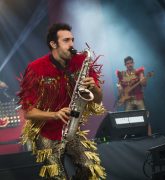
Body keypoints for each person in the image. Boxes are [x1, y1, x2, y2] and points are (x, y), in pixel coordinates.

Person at [18, 23, 106, 180]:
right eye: (66, 40)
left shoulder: (81, 61)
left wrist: (94, 87)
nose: (72, 44)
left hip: (71, 129)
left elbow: (98, 99)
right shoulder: (36, 68)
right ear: (53, 44)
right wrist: (55, 115)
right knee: (57, 177)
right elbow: (28, 112)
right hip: (45, 132)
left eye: (72, 40)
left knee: (90, 169)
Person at [116, 56, 152, 135]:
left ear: (133, 63)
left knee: (144, 117)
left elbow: (144, 84)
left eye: (131, 63)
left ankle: (149, 136)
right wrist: (120, 89)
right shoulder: (122, 74)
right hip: (128, 100)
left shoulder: (139, 72)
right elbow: (120, 87)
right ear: (125, 65)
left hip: (138, 98)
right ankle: (128, 136)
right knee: (127, 119)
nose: (130, 65)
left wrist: (143, 80)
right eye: (128, 63)